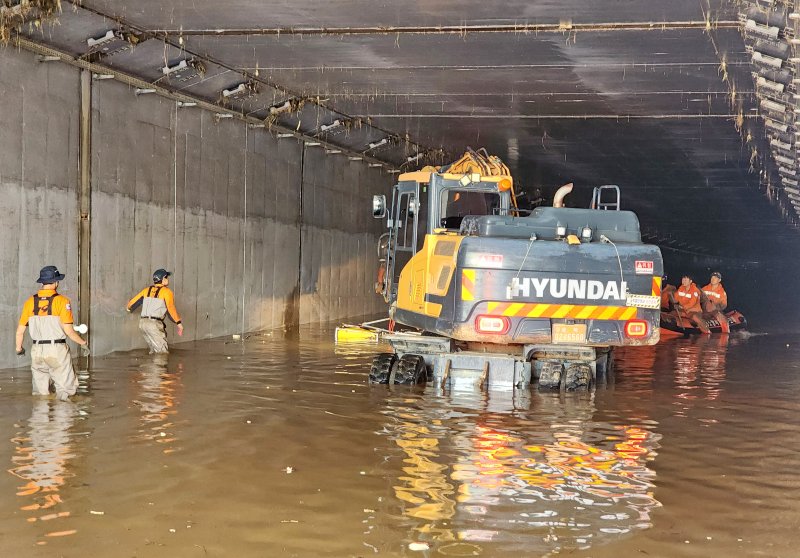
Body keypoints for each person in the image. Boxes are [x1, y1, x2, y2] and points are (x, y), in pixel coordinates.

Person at [15, 266, 89, 401]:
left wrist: (19, 349)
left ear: (42, 282)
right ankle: (63, 414)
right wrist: (83, 343)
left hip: (37, 351)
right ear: (56, 282)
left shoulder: (29, 302)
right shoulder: (63, 301)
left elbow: (20, 332)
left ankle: (40, 414)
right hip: (56, 350)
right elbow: (69, 331)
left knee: (40, 395)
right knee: (66, 392)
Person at [126, 269, 183, 354]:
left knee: (153, 351)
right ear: (163, 279)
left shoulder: (146, 290)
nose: (168, 279)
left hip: (143, 324)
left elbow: (131, 304)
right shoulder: (167, 292)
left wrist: (128, 308)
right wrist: (178, 323)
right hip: (154, 324)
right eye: (166, 277)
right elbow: (170, 308)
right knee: (162, 353)